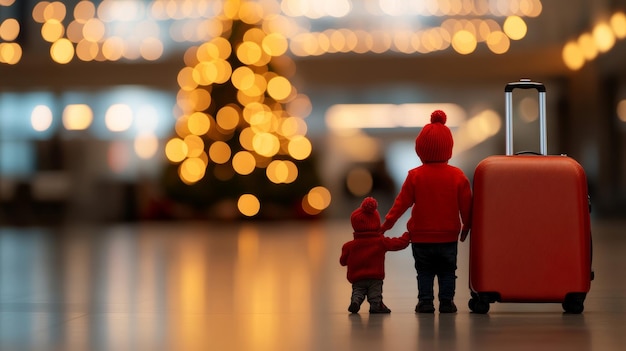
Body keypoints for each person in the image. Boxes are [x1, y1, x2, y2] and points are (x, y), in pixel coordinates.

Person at [380, 110, 472, 314]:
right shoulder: (457, 176)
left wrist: (386, 225)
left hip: (421, 237)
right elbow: (466, 205)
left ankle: (426, 302)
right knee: (448, 271)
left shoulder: (415, 176)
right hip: (448, 236)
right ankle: (447, 303)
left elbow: (400, 205)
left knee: (424, 272)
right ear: (448, 148)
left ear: (420, 149)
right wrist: (466, 226)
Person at [340, 197, 410, 314]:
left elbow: (342, 261)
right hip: (375, 277)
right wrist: (407, 236)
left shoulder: (349, 246)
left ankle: (356, 301)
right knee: (375, 293)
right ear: (376, 222)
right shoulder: (380, 241)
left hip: (357, 278)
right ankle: (376, 305)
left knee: (358, 291)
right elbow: (398, 244)